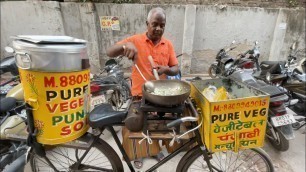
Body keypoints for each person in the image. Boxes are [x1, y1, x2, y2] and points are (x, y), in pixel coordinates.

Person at [106, 7, 179, 169]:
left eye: (162, 25)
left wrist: (166, 69)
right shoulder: (136, 40)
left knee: (157, 126)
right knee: (135, 125)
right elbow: (109, 52)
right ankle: (138, 154)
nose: (158, 28)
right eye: (155, 24)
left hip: (161, 96)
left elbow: (176, 68)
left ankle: (153, 151)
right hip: (140, 95)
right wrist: (126, 47)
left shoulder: (168, 45)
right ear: (147, 23)